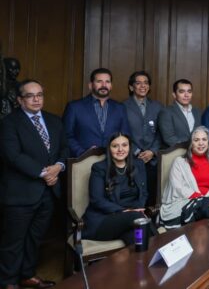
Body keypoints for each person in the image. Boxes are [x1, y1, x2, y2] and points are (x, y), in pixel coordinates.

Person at [0, 80, 66, 289]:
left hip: (49, 192)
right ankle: (8, 281)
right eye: (30, 95)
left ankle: (27, 274)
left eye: (40, 94)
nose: (36, 99)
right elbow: (13, 156)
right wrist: (44, 173)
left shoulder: (54, 121)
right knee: (14, 241)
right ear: (20, 100)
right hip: (21, 193)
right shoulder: (9, 123)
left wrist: (59, 166)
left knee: (35, 238)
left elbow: (64, 148)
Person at [82, 133, 149, 244]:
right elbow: (97, 200)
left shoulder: (139, 165)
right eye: (115, 146)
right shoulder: (99, 168)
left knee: (137, 240)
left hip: (131, 219)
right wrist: (126, 211)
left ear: (130, 147)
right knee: (139, 219)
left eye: (124, 145)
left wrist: (138, 209)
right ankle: (166, 253)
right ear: (109, 148)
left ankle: (145, 260)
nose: (120, 149)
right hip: (104, 219)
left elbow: (144, 193)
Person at [159, 126, 209, 228]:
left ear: (208, 142)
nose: (201, 143)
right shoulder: (180, 162)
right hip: (185, 202)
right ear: (191, 143)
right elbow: (177, 187)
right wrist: (200, 198)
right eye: (196, 140)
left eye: (204, 139)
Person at [64, 68, 130, 157]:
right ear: (90, 85)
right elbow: (66, 136)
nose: (104, 85)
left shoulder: (120, 108)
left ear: (111, 86)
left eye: (107, 82)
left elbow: (125, 135)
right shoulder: (74, 107)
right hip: (82, 161)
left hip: (112, 160)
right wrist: (83, 153)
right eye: (99, 81)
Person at [123, 71, 163, 205]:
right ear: (131, 87)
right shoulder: (122, 107)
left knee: (152, 197)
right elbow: (122, 133)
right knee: (134, 197)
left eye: (146, 83)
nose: (142, 86)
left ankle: (150, 224)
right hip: (131, 159)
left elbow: (160, 133)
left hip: (153, 160)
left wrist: (152, 151)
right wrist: (136, 151)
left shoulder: (157, 106)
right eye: (138, 83)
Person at [158, 79, 202, 147]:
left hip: (197, 153)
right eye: (182, 92)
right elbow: (169, 138)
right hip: (175, 153)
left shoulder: (198, 112)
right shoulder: (166, 112)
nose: (186, 95)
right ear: (174, 95)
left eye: (189, 91)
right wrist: (190, 148)